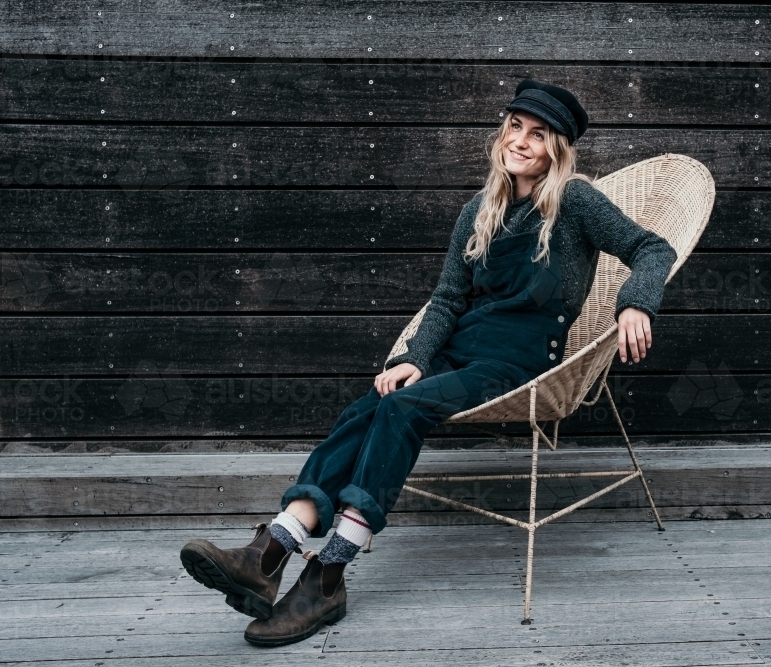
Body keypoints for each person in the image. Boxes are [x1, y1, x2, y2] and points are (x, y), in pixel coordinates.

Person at [179, 78, 677, 647]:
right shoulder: (478, 210)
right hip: (458, 351)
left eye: (537, 135)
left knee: (401, 411)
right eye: (515, 126)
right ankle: (270, 551)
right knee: (371, 405)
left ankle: (329, 574)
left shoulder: (576, 201)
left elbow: (652, 248)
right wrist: (416, 355)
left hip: (522, 361)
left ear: (556, 149)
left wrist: (636, 303)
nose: (520, 141)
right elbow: (446, 300)